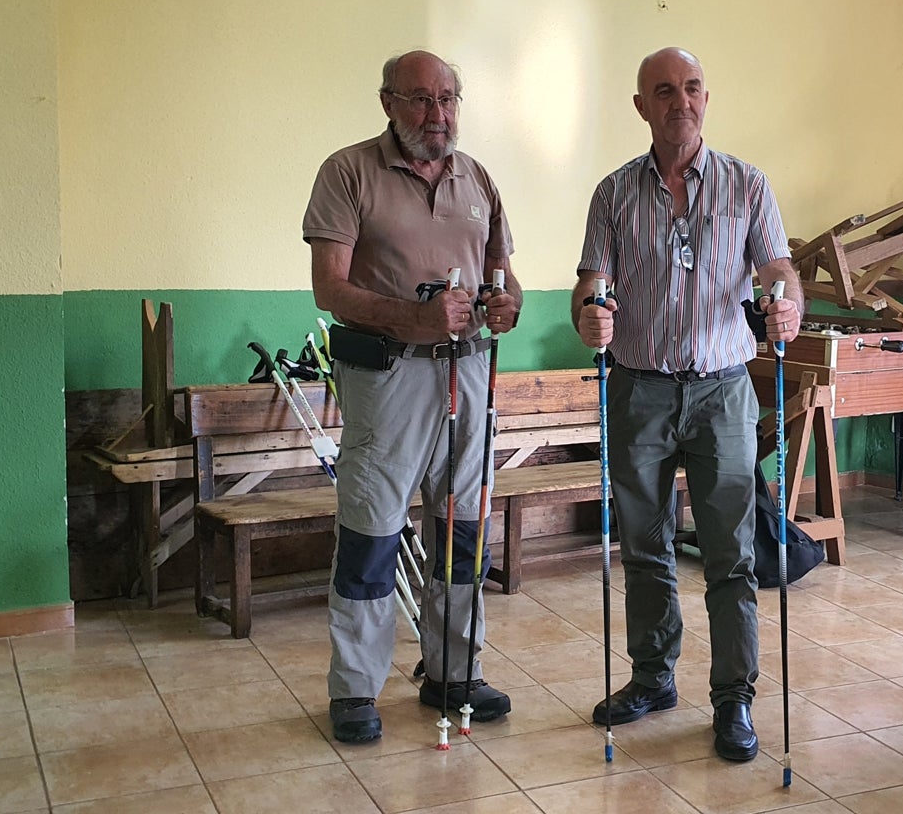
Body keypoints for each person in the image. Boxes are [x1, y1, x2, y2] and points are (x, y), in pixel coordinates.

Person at [571, 46, 803, 762]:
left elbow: (778, 268)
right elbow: (590, 281)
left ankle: (734, 700)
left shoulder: (746, 184)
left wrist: (787, 303)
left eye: (693, 88)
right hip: (638, 389)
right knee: (645, 546)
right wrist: (589, 313)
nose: (682, 102)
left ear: (708, 98)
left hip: (722, 390)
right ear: (641, 106)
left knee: (732, 554)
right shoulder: (613, 193)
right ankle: (652, 677)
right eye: (664, 91)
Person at [304, 50, 522, 744]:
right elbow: (329, 290)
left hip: (470, 372)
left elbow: (503, 275)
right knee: (371, 533)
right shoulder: (348, 171)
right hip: (390, 377)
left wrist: (506, 304)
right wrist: (413, 317)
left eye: (450, 99)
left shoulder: (477, 177)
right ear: (388, 102)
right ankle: (355, 692)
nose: (439, 115)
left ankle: (453, 674)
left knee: (461, 534)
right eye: (422, 100)